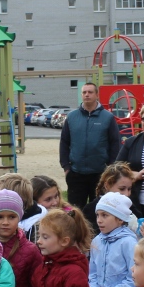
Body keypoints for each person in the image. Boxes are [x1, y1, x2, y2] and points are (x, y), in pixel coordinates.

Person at [87, 192, 139, 287]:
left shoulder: (129, 243)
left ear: (119, 219)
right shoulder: (97, 241)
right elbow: (93, 274)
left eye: (105, 215)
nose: (99, 220)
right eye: (97, 215)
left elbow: (134, 281)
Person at [60, 82, 121, 210]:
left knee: (100, 210)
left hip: (100, 173)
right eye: (84, 92)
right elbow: (64, 142)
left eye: (90, 92)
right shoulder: (72, 117)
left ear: (97, 95)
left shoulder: (107, 117)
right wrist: (66, 167)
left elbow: (115, 143)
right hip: (76, 173)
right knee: (75, 211)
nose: (87, 95)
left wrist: (110, 167)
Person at [0, 190, 42, 287]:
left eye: (12, 217)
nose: (5, 222)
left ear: (19, 217)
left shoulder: (30, 250)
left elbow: (39, 286)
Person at [81, 162, 136, 226]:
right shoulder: (90, 209)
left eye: (129, 189)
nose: (127, 194)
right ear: (107, 185)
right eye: (122, 189)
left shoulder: (129, 207)